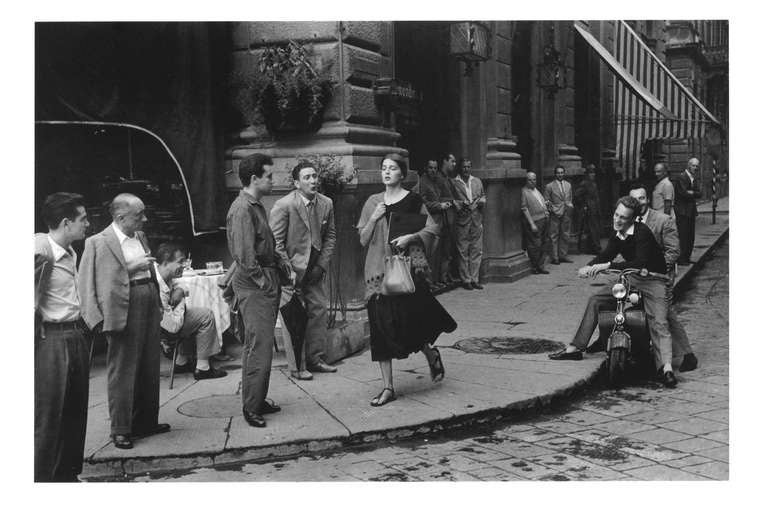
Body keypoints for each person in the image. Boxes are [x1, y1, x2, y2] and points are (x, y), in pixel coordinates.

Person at [357, 153, 457, 406]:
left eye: (392, 169)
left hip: (407, 271)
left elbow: (433, 228)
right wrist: (373, 217)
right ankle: (388, 387)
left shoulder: (413, 200)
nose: (387, 172)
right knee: (380, 330)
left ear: (402, 174)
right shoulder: (373, 202)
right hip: (378, 273)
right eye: (384, 168)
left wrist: (410, 238)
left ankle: (429, 352)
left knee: (409, 322)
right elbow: (362, 239)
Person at [548, 196, 678, 388]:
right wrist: (589, 267)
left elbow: (639, 261)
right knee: (596, 299)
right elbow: (606, 254)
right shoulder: (618, 234)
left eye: (623, 218)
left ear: (633, 219)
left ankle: (665, 368)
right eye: (616, 215)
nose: (617, 220)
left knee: (659, 321)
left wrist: (606, 266)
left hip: (654, 279)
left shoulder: (642, 233)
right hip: (631, 278)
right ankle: (575, 348)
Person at [78, 193, 169, 450]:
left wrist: (158, 301)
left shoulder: (140, 236)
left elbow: (150, 271)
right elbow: (86, 283)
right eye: (139, 215)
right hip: (120, 306)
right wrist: (94, 319)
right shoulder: (97, 242)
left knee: (149, 364)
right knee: (123, 369)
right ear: (120, 217)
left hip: (147, 299)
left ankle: (146, 421)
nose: (145, 219)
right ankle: (120, 428)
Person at [225, 153, 289, 428]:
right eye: (269, 176)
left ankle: (258, 398)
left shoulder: (254, 205)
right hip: (255, 284)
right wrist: (264, 283)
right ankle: (251, 406)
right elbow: (244, 255)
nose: (273, 180)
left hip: (263, 280)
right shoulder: (242, 209)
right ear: (254, 179)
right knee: (258, 346)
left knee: (263, 347)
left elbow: (264, 246)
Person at [35, 192, 91, 481]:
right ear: (67, 222)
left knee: (75, 411)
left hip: (75, 334)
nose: (88, 224)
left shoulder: (70, 252)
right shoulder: (39, 250)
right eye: (83, 219)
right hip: (52, 340)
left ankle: (68, 477)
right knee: (49, 416)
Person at [270, 161, 338, 380]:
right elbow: (276, 242)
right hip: (291, 271)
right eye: (307, 177)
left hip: (315, 269)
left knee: (318, 311)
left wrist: (321, 265)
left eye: (315, 176)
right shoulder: (284, 205)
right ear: (296, 183)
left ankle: (316, 359)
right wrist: (287, 270)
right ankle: (297, 367)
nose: (313, 181)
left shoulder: (326, 203)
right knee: (294, 318)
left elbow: (331, 236)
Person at [628, 184, 698, 372]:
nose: (638, 203)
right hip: (640, 276)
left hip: (661, 275)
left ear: (648, 200)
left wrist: (654, 269)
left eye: (642, 198)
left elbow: (673, 251)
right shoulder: (629, 220)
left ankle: (688, 355)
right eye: (634, 200)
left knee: (664, 313)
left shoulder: (663, 220)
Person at [154, 242, 227, 380]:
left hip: (168, 322)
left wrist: (180, 290)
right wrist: (181, 300)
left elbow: (183, 285)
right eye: (180, 262)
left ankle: (182, 361)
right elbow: (173, 327)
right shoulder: (158, 285)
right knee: (205, 316)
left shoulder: (164, 273)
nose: (185, 265)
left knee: (192, 314)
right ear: (165, 262)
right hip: (163, 332)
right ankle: (203, 368)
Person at [412, 158, 456, 290]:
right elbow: (423, 202)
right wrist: (439, 205)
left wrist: (445, 202)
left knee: (440, 253)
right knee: (431, 252)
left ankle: (436, 280)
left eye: (435, 168)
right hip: (430, 220)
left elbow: (446, 195)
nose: (433, 170)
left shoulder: (438, 181)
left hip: (441, 220)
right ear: (426, 168)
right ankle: (429, 282)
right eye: (430, 168)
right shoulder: (423, 182)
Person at [451, 158, 486, 290]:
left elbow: (483, 195)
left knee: (477, 249)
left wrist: (482, 201)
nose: (466, 169)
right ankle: (465, 279)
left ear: (471, 167)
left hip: (477, 219)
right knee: (463, 250)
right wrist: (461, 204)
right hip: (462, 219)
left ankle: (474, 278)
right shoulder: (454, 182)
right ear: (460, 168)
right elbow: (452, 200)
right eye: (464, 167)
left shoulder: (477, 181)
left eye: (468, 167)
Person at [674, 157, 702, 265]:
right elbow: (683, 193)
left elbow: (700, 193)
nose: (695, 168)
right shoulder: (681, 177)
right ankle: (681, 259)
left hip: (690, 211)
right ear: (688, 165)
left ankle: (687, 257)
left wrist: (692, 193)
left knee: (690, 236)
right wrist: (693, 193)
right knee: (683, 236)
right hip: (682, 211)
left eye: (697, 166)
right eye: (693, 165)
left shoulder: (693, 178)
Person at [520, 171, 550, 275]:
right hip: (535, 221)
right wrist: (532, 224)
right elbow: (524, 208)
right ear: (526, 180)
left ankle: (541, 266)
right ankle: (534, 266)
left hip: (544, 219)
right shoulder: (524, 191)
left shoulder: (537, 190)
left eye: (534, 179)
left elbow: (540, 202)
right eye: (530, 180)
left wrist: (546, 208)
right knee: (535, 245)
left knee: (545, 243)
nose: (533, 182)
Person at [544, 165, 574, 264]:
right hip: (555, 213)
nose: (560, 174)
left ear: (564, 173)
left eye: (562, 172)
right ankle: (555, 257)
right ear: (555, 174)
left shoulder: (568, 185)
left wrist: (570, 207)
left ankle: (563, 256)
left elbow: (570, 198)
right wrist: (552, 209)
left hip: (566, 212)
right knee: (554, 235)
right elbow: (546, 201)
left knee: (565, 234)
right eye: (558, 173)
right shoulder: (550, 186)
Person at [574, 164, 602, 254]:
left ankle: (593, 248)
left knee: (595, 229)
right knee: (592, 229)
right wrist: (584, 204)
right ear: (587, 174)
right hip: (589, 209)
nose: (593, 175)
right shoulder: (584, 184)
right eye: (590, 173)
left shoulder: (594, 183)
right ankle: (596, 248)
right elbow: (577, 195)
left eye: (593, 173)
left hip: (595, 209)